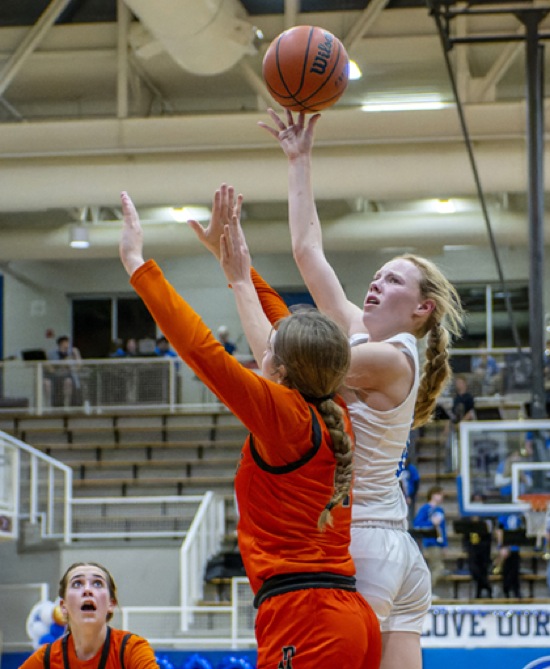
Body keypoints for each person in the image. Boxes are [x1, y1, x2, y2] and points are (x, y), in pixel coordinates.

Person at [119, 191, 382, 669]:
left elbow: (202, 351)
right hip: (345, 614)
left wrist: (138, 266)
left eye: (269, 348)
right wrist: (234, 265)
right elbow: (289, 328)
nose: (263, 344)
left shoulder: (286, 416)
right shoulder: (331, 408)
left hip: (306, 619)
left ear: (278, 366)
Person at [256, 109, 465, 669]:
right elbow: (308, 252)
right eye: (376, 274)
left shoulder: (392, 356)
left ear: (422, 309)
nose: (376, 282)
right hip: (397, 546)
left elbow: (288, 361)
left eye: (393, 280)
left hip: (364, 542)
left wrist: (239, 282)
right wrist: (299, 161)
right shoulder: (367, 338)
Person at [19, 561, 158, 669]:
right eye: (77, 584)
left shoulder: (131, 648)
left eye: (97, 583)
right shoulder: (47, 658)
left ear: (111, 604)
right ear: (63, 606)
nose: (87, 590)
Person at [413, 486, 448, 592]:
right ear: (432, 495)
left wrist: (445, 544)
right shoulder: (425, 509)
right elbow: (417, 524)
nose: (441, 497)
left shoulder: (440, 510)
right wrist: (431, 522)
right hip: (430, 541)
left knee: (435, 567)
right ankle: (427, 591)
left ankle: (427, 591)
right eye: (439, 494)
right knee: (438, 567)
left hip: (439, 541)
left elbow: (443, 529)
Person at [44, 335, 82, 408]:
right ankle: (48, 405)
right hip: (55, 376)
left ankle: (66, 404)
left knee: (68, 382)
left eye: (67, 343)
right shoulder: (52, 353)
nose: (67, 345)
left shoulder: (72, 352)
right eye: (65, 343)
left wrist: (76, 355)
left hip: (68, 375)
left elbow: (78, 366)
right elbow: (50, 366)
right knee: (46, 383)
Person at [399, 456, 421, 526]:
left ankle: (411, 526)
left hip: (411, 493)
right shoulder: (399, 468)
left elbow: (416, 481)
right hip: (401, 494)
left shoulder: (412, 469)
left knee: (411, 512)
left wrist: (411, 496)